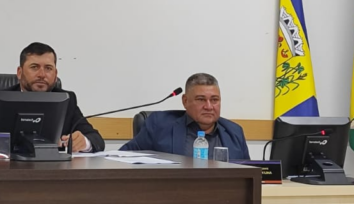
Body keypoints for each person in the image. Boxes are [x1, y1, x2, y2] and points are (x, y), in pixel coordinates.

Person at [120, 73, 250, 160]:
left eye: (214, 100)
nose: (209, 106)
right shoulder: (159, 126)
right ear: (185, 101)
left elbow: (250, 176)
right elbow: (122, 158)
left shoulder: (234, 132)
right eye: (201, 99)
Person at [15, 42, 104, 153]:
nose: (42, 74)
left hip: (55, 164)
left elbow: (96, 139)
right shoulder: (0, 101)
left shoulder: (67, 100)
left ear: (55, 74)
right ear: (19, 72)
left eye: (48, 68)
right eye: (34, 67)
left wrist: (84, 142)